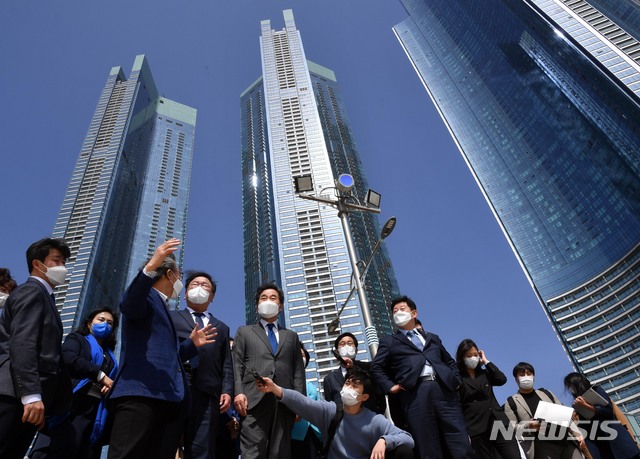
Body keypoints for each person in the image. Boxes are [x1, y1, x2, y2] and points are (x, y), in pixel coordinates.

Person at [107, 239, 217, 459]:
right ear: (168, 274)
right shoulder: (145, 297)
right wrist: (149, 268)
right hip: (140, 394)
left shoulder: (164, 306)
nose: (179, 281)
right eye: (178, 275)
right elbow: (128, 304)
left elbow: (167, 355)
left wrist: (191, 345)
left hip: (166, 400)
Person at [370, 296, 476, 459]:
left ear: (414, 313)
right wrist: (391, 387)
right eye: (395, 311)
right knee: (428, 446)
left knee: (460, 443)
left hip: (444, 391)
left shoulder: (433, 338)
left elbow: (450, 361)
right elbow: (376, 367)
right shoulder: (389, 341)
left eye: (402, 309)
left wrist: (455, 380)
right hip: (415, 395)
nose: (398, 313)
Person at [0, 238, 73, 459]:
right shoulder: (33, 292)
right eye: (56, 261)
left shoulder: (46, 298)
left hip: (29, 399)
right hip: (16, 395)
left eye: (64, 262)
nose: (62, 267)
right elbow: (23, 343)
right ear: (38, 264)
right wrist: (31, 395)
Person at [257, 366, 415, 459]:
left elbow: (408, 439)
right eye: (347, 383)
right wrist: (275, 389)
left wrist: (385, 440)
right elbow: (303, 402)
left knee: (403, 451)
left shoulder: (375, 420)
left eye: (354, 386)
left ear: (364, 397)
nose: (348, 388)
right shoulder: (330, 411)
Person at [32, 308, 119, 459]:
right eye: (101, 319)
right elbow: (69, 358)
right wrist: (100, 375)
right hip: (72, 406)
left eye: (110, 323)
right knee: (62, 449)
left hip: (95, 411)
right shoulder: (77, 339)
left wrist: (109, 385)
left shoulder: (110, 356)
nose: (105, 324)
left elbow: (113, 379)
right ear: (90, 323)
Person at [233, 282, 305, 459]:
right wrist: (238, 393)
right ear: (257, 306)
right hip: (253, 400)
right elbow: (236, 364)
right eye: (263, 298)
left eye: (273, 298)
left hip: (284, 401)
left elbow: (298, 371)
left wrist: (299, 403)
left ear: (280, 306)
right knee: (252, 452)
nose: (268, 301)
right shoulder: (244, 332)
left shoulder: (291, 336)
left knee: (281, 453)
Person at [171, 271, 234, 459]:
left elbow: (227, 364)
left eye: (205, 285)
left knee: (203, 448)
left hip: (208, 394)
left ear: (212, 296)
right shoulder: (172, 318)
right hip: (175, 388)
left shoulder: (221, 327)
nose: (199, 288)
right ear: (184, 294)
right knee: (166, 440)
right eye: (194, 285)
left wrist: (227, 391)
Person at [455, 339, 521, 459]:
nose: (472, 358)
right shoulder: (458, 378)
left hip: (499, 423)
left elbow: (501, 380)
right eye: (468, 355)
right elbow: (457, 405)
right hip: (477, 428)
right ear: (462, 357)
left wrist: (486, 361)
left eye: (475, 355)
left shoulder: (485, 373)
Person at [504, 362, 583, 459]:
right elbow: (511, 428)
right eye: (522, 374)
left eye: (529, 373)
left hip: (566, 441)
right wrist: (528, 426)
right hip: (540, 447)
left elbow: (564, 415)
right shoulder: (511, 402)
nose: (526, 377)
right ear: (516, 379)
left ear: (534, 376)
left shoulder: (547, 393)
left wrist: (577, 433)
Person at [563, 372, 639, 459]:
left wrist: (586, 405)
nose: (570, 389)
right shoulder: (576, 409)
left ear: (576, 383)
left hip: (617, 439)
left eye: (570, 385)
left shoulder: (597, 390)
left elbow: (608, 411)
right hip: (601, 446)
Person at [323, 332, 386, 415]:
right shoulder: (329, 379)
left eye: (350, 343)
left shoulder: (370, 369)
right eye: (342, 344)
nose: (346, 346)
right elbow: (330, 404)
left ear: (356, 350)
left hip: (370, 419)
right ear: (337, 352)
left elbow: (380, 397)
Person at [291, 343, 322, 459]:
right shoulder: (284, 382)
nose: (299, 357)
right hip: (293, 435)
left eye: (302, 355)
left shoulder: (311, 386)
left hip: (313, 434)